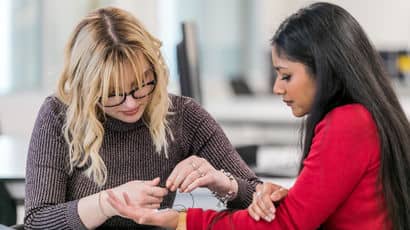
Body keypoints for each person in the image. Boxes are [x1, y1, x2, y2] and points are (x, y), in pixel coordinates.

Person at [106, 2, 410, 230]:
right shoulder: (361, 116)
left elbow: (287, 225)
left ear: (324, 68)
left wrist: (181, 221)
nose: (277, 88)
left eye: (286, 75)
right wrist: (287, 196)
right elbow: (312, 208)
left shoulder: (347, 123)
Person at [24, 6, 261, 229]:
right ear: (86, 88)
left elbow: (261, 199)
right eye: (113, 93)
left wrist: (225, 184)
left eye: (141, 85)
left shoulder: (184, 116)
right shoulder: (58, 115)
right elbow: (38, 221)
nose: (131, 103)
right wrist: (109, 202)